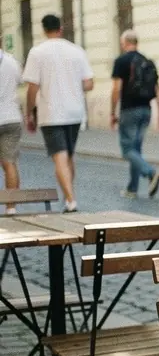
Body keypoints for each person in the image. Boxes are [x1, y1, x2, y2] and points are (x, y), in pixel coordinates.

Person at [23, 14, 94, 212]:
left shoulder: (37, 53)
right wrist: (73, 84)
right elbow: (89, 83)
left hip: (51, 113)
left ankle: (71, 200)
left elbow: (32, 87)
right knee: (69, 156)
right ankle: (69, 197)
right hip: (75, 111)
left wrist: (29, 113)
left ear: (44, 30)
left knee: (60, 156)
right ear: (60, 28)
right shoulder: (76, 51)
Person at [110, 30, 159, 199]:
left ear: (124, 43)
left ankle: (151, 172)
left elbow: (116, 89)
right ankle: (132, 189)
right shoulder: (147, 62)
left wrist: (112, 112)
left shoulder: (121, 61)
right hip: (146, 110)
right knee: (136, 150)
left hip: (129, 110)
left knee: (127, 151)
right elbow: (157, 89)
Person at [0, 50, 23, 212]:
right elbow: (20, 81)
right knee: (10, 163)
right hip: (11, 117)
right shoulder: (12, 62)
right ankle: (11, 208)